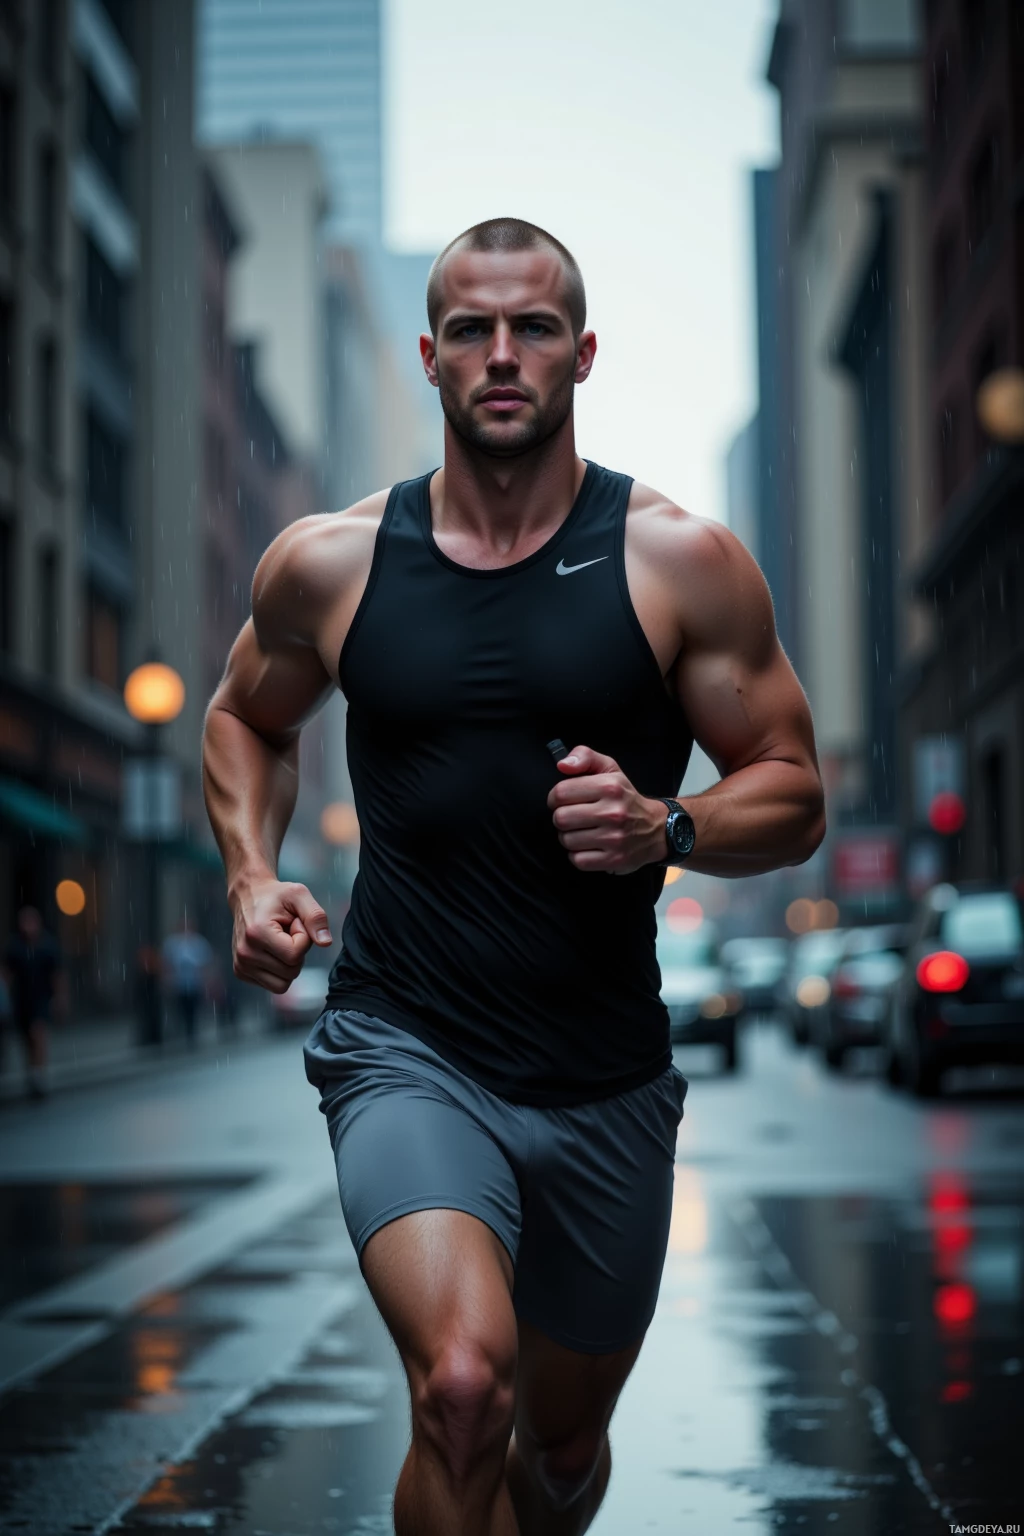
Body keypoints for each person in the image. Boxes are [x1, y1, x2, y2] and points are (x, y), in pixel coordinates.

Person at [203, 218, 825, 1536]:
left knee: (558, 1447)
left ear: (582, 353)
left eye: (533, 327)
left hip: (604, 1077)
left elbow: (795, 788)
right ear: (429, 356)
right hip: (405, 1048)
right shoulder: (335, 562)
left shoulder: (678, 562)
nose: (502, 355)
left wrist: (674, 827)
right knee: (465, 1388)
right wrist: (252, 875)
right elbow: (244, 717)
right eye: (471, 330)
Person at [2, 905, 62, 1100]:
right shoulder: (15, 946)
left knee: (39, 1033)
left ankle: (39, 1075)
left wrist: (60, 998)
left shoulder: (47, 946)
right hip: (22, 1000)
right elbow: (7, 975)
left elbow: (57, 975)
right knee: (27, 1040)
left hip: (41, 997)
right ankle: (32, 1073)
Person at [161, 917, 214, 1046]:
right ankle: (180, 1033)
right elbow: (166, 964)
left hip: (194, 984)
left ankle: (191, 1034)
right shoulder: (172, 943)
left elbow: (205, 964)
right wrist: (167, 980)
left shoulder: (199, 943)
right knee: (179, 1009)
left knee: (193, 1009)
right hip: (178, 984)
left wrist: (206, 982)